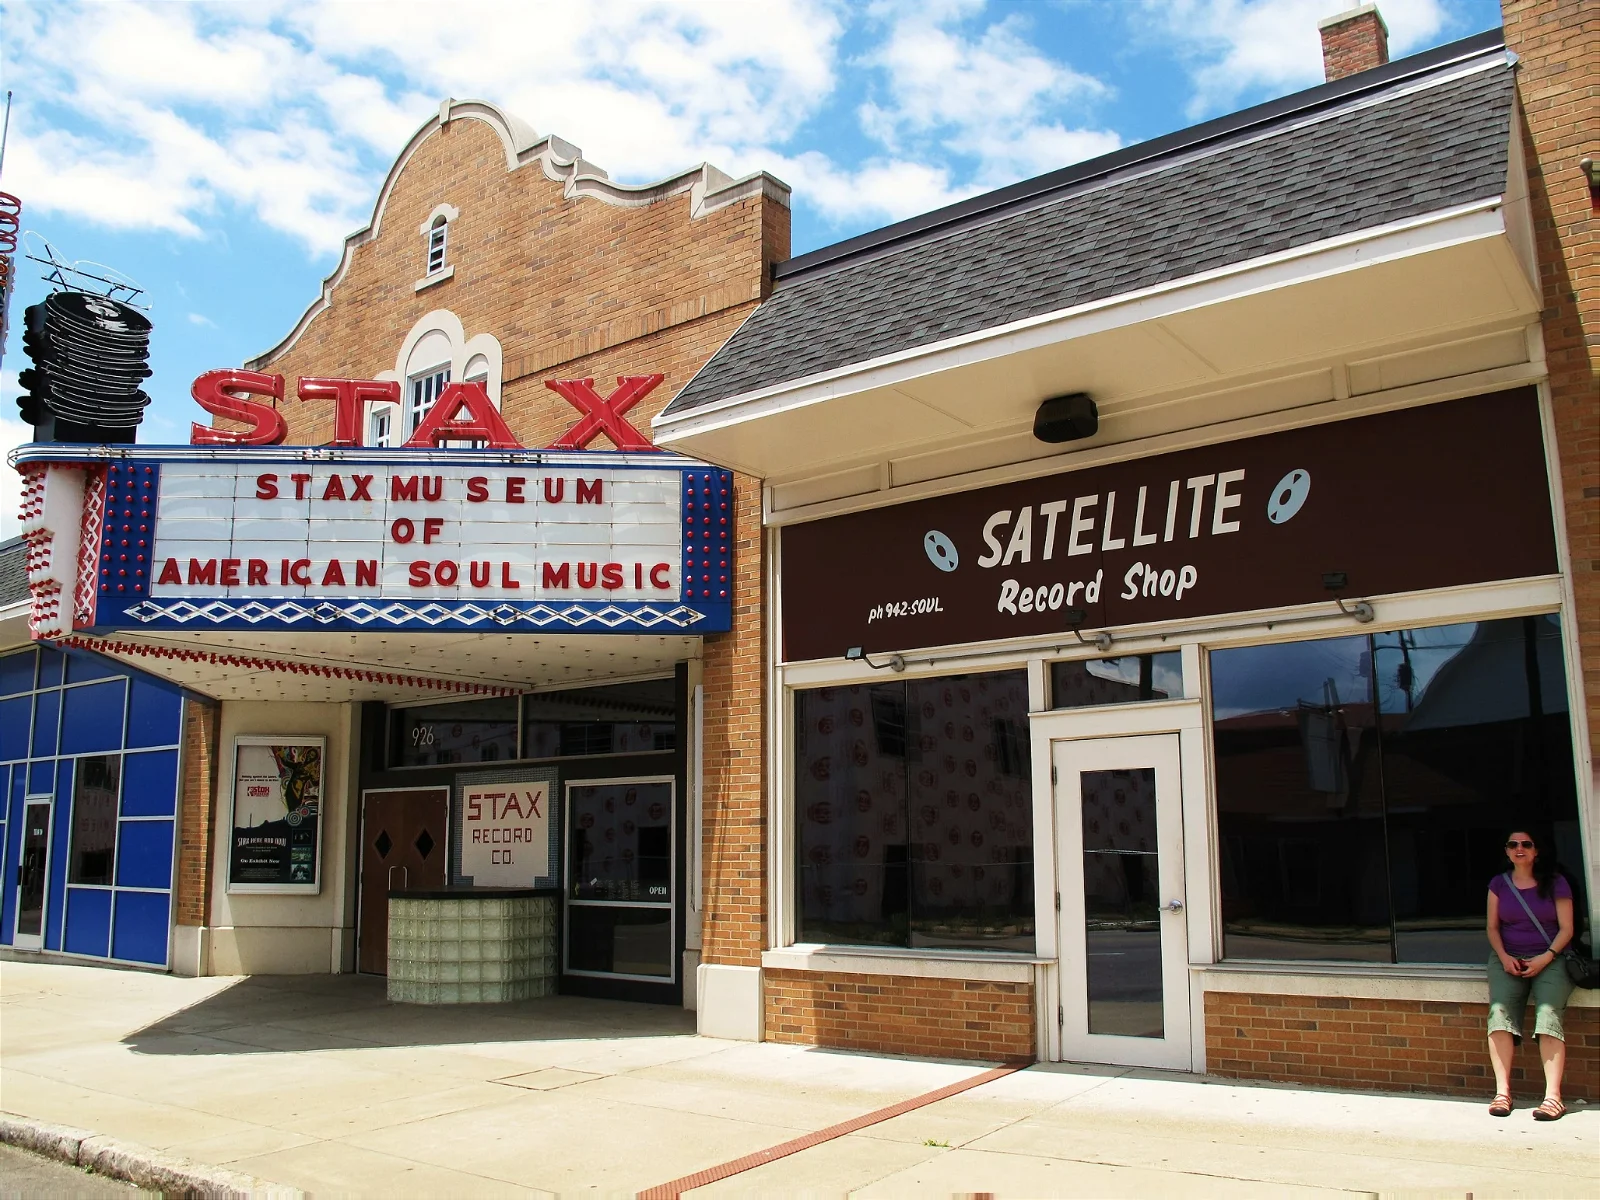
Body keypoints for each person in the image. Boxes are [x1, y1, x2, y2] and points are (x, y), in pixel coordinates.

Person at [1485, 829, 1575, 1120]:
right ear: (1507, 851)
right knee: (1499, 1016)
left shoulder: (1556, 883)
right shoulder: (1499, 884)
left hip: (1551, 957)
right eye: (1512, 844)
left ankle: (1553, 1098)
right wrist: (1504, 957)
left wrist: (1545, 957)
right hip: (1508, 958)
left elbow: (1567, 929)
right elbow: (1492, 928)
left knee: (1547, 1016)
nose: (1519, 848)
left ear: (1537, 851)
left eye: (1526, 844)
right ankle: (1502, 1093)